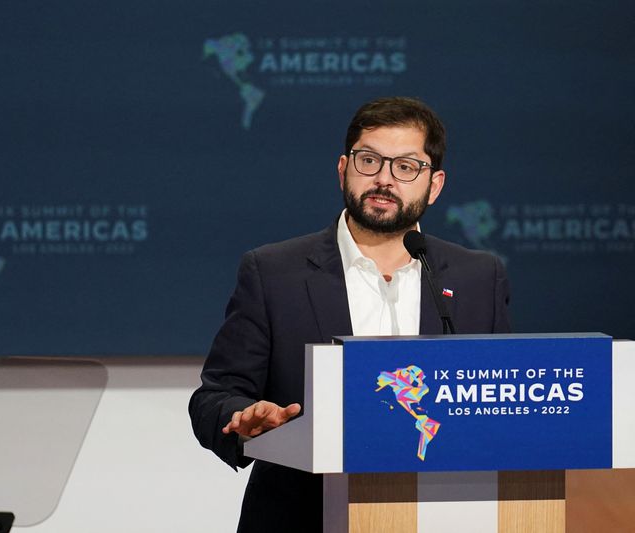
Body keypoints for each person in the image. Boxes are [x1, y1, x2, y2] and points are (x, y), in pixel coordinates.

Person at [188, 96, 511, 533]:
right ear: (343, 169)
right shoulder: (273, 272)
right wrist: (245, 419)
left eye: (406, 167)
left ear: (435, 185)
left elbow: (502, 404)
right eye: (369, 160)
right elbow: (214, 396)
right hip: (302, 515)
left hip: (445, 515)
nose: (384, 179)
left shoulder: (478, 277)